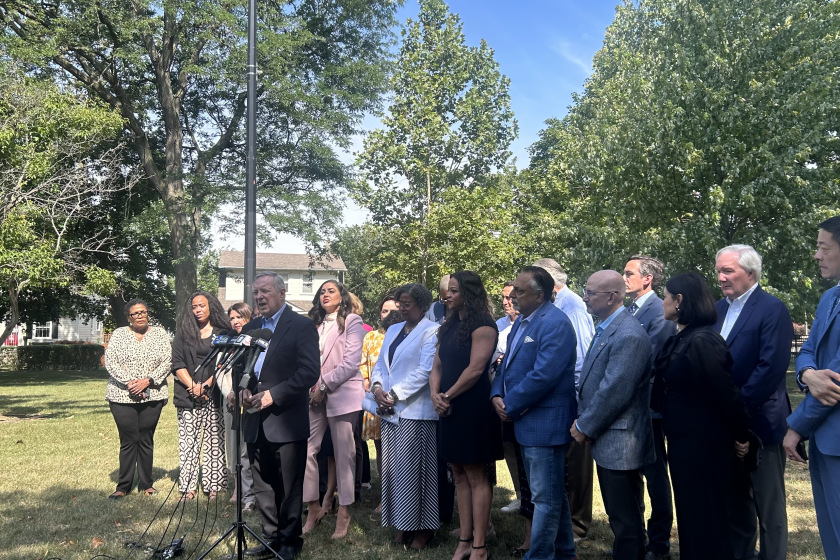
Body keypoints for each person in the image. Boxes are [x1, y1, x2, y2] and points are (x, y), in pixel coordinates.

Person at [653, 272, 751, 560]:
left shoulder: (703, 341)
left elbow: (726, 395)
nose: (663, 301)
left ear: (680, 300)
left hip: (704, 445)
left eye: (667, 295)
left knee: (706, 520)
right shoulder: (684, 336)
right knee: (692, 518)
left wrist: (742, 435)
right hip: (685, 442)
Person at [491, 266, 579, 560]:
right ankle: (565, 552)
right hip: (527, 420)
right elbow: (505, 366)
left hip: (545, 423)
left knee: (545, 497)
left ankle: (540, 555)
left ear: (540, 295)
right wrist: (496, 395)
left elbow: (544, 375)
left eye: (520, 290)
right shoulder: (522, 323)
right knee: (552, 495)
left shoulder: (556, 323)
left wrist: (510, 403)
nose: (513, 295)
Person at [714, 245, 794, 560]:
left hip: (761, 424)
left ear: (750, 273)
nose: (720, 277)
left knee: (768, 505)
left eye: (728, 271)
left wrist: (738, 418)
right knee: (736, 503)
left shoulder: (772, 309)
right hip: (726, 425)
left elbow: (770, 369)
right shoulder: (717, 309)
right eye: (719, 270)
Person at [238, 272, 320, 560]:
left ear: (282, 294)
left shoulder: (301, 326)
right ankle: (270, 538)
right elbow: (242, 368)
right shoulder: (251, 327)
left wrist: (273, 395)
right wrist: (242, 390)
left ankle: (289, 543)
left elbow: (310, 372)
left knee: (288, 486)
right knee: (262, 483)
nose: (259, 297)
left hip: (285, 419)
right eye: (256, 292)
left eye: (265, 291)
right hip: (254, 418)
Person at [573, 270, 654, 560]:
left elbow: (615, 390)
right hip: (611, 437)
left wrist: (585, 425)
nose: (585, 297)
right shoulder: (608, 326)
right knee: (621, 512)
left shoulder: (628, 333)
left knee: (625, 514)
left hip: (621, 440)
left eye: (591, 293)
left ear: (612, 297)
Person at [431, 271, 502, 560]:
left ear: (469, 294)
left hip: (471, 406)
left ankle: (480, 546)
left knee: (475, 475)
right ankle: (463, 539)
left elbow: (476, 369)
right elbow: (436, 364)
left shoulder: (483, 324)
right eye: (448, 291)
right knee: (457, 474)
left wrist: (447, 396)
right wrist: (436, 394)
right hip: (447, 406)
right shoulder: (448, 325)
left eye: (454, 291)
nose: (448, 296)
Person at [785, 216, 840, 558]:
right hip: (825, 441)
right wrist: (806, 374)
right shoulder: (829, 298)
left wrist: (795, 427)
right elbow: (807, 351)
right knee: (831, 535)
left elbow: (834, 383)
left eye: (824, 247)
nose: (816, 255)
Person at [371, 283, 440, 550]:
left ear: (422, 305)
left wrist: (393, 395)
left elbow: (425, 372)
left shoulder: (432, 332)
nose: (401, 308)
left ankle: (424, 530)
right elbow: (380, 364)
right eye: (400, 303)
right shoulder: (393, 330)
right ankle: (402, 524)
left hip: (416, 412)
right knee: (393, 472)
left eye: (407, 303)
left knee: (416, 473)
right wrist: (377, 388)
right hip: (389, 412)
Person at [533, 258, 595, 543]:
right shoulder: (555, 305)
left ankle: (578, 524)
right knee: (564, 463)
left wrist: (576, 402)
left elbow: (582, 359)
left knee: (577, 462)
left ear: (548, 281)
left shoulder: (573, 307)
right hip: (558, 397)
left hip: (572, 397)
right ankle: (566, 522)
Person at [301, 280, 366, 539]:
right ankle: (313, 507)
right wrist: (310, 386)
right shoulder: (313, 324)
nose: (325, 294)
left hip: (343, 394)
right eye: (322, 291)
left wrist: (324, 386)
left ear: (342, 297)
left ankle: (344, 512)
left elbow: (351, 363)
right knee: (307, 449)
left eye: (331, 291)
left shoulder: (352, 321)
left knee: (344, 456)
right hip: (312, 395)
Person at [623, 255, 675, 560]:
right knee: (632, 476)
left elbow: (646, 362)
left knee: (656, 479)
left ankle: (659, 544)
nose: (623, 277)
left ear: (647, 279)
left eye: (629, 273)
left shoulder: (659, 312)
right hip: (627, 409)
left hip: (649, 409)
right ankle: (637, 539)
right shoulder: (628, 310)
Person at [104, 299, 171, 499]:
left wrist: (148, 381)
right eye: (135, 313)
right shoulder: (119, 334)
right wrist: (132, 383)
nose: (140, 315)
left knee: (145, 438)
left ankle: (146, 484)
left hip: (154, 394)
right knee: (128, 439)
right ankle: (123, 486)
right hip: (122, 395)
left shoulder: (159, 334)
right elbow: (111, 361)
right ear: (128, 318)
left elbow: (168, 360)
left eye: (143, 311)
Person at [170, 290, 232, 500]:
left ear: (211, 306)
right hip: (187, 395)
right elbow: (177, 363)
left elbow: (225, 363)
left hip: (214, 393)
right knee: (189, 442)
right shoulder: (183, 332)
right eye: (194, 306)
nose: (197, 310)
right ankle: (188, 486)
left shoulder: (223, 332)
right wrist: (193, 387)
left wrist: (205, 386)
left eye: (202, 305)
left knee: (215, 440)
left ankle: (213, 484)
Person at [359, 294, 401, 511]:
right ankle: (386, 497)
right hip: (376, 401)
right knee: (382, 450)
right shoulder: (371, 337)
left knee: (399, 452)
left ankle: (400, 495)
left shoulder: (407, 335)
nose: (389, 315)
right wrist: (370, 386)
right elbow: (363, 368)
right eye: (385, 311)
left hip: (401, 401)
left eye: (394, 311)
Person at [222, 302, 257, 512]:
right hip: (234, 402)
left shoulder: (255, 341)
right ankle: (247, 496)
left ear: (249, 318)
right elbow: (223, 372)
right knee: (241, 453)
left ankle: (256, 495)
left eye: (239, 317)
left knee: (251, 451)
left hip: (253, 401)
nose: (235, 322)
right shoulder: (230, 341)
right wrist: (231, 393)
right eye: (232, 318)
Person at [496, 281, 523, 516]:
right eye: (504, 298)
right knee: (508, 448)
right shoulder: (498, 325)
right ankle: (520, 494)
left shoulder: (529, 324)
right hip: (501, 399)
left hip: (522, 400)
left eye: (511, 297)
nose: (506, 302)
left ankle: (531, 497)